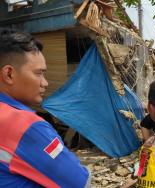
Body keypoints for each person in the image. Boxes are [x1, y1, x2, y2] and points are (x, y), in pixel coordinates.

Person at [0, 29, 91, 187]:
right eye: (39, 73)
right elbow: (80, 182)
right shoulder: (25, 126)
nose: (45, 83)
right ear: (9, 74)